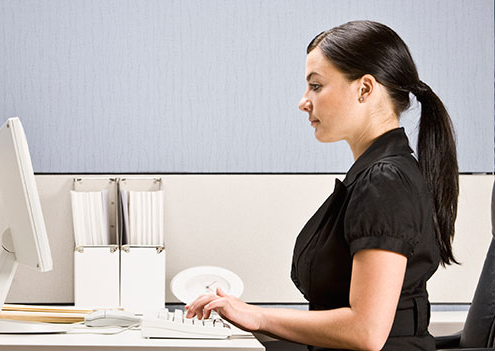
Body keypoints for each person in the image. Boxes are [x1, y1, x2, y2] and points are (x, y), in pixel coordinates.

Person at [185, 20, 459, 351]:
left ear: (364, 89)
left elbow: (366, 331)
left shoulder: (384, 181)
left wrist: (255, 316)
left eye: (316, 86)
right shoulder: (375, 174)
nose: (303, 101)